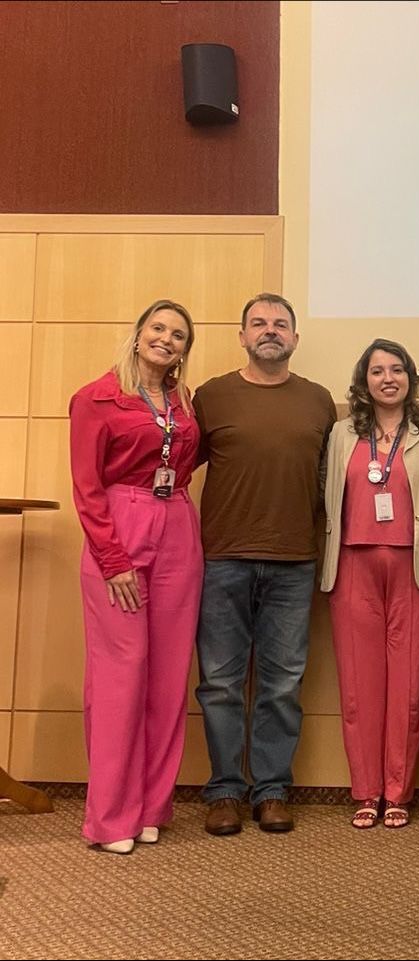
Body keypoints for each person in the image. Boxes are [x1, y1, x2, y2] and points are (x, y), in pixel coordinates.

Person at [193, 293, 337, 836]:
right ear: (242, 336)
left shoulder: (318, 401)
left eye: (280, 324)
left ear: (295, 338)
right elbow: (175, 467)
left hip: (294, 563)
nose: (269, 330)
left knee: (281, 685)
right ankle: (225, 791)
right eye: (259, 323)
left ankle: (272, 790)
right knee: (220, 684)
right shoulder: (211, 397)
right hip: (222, 559)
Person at [69, 299, 202, 854]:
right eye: (158, 328)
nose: (166, 339)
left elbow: (184, 464)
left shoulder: (183, 402)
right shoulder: (95, 398)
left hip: (177, 527)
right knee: (120, 677)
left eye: (178, 335)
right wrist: (113, 559)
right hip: (119, 529)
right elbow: (86, 487)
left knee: (168, 679)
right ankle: (110, 818)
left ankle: (151, 807)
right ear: (139, 333)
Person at [320, 339, 419, 829]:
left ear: (410, 378)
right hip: (353, 565)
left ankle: (397, 790)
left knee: (409, 687)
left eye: (396, 370)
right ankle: (367, 790)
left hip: (414, 568)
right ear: (363, 380)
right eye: (377, 371)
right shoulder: (341, 433)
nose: (387, 379)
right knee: (358, 686)